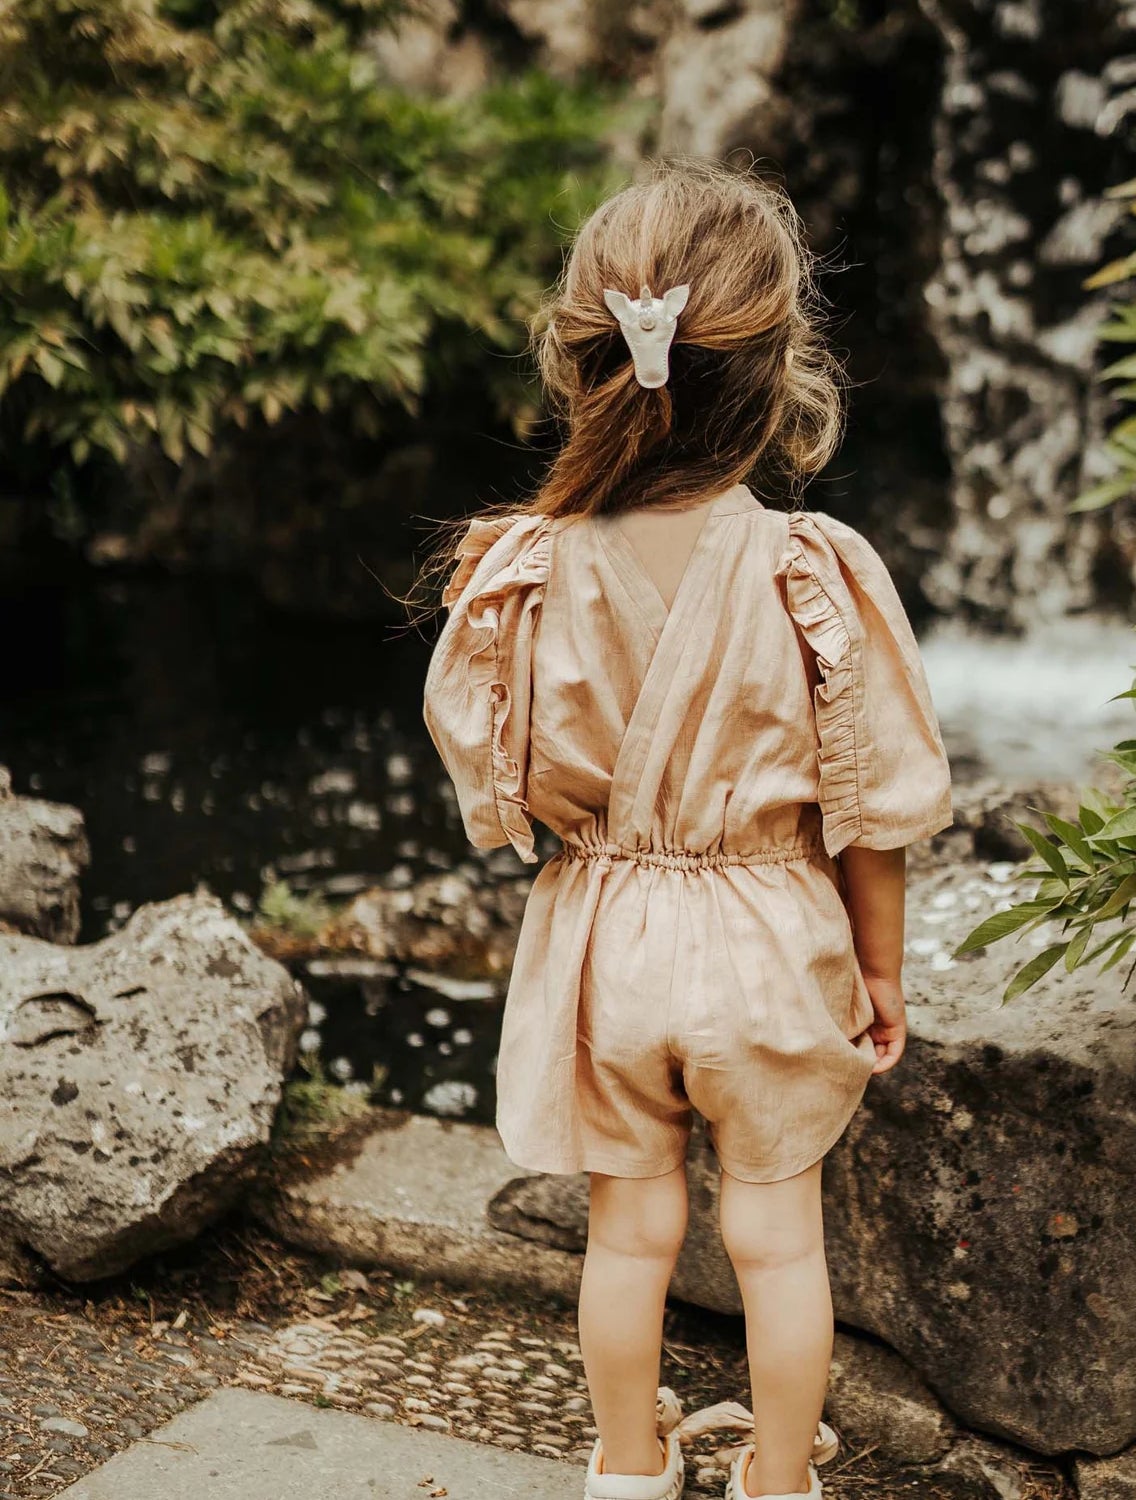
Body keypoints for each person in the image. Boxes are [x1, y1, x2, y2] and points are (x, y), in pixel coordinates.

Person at [422, 158, 951, 1500]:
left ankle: (626, 1465)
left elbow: (499, 777)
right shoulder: (809, 569)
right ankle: (778, 1481)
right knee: (778, 1244)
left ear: (581, 356)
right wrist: (879, 974)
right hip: (771, 942)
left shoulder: (525, 569)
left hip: (603, 940)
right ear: (779, 371)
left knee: (630, 1235)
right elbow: (872, 808)